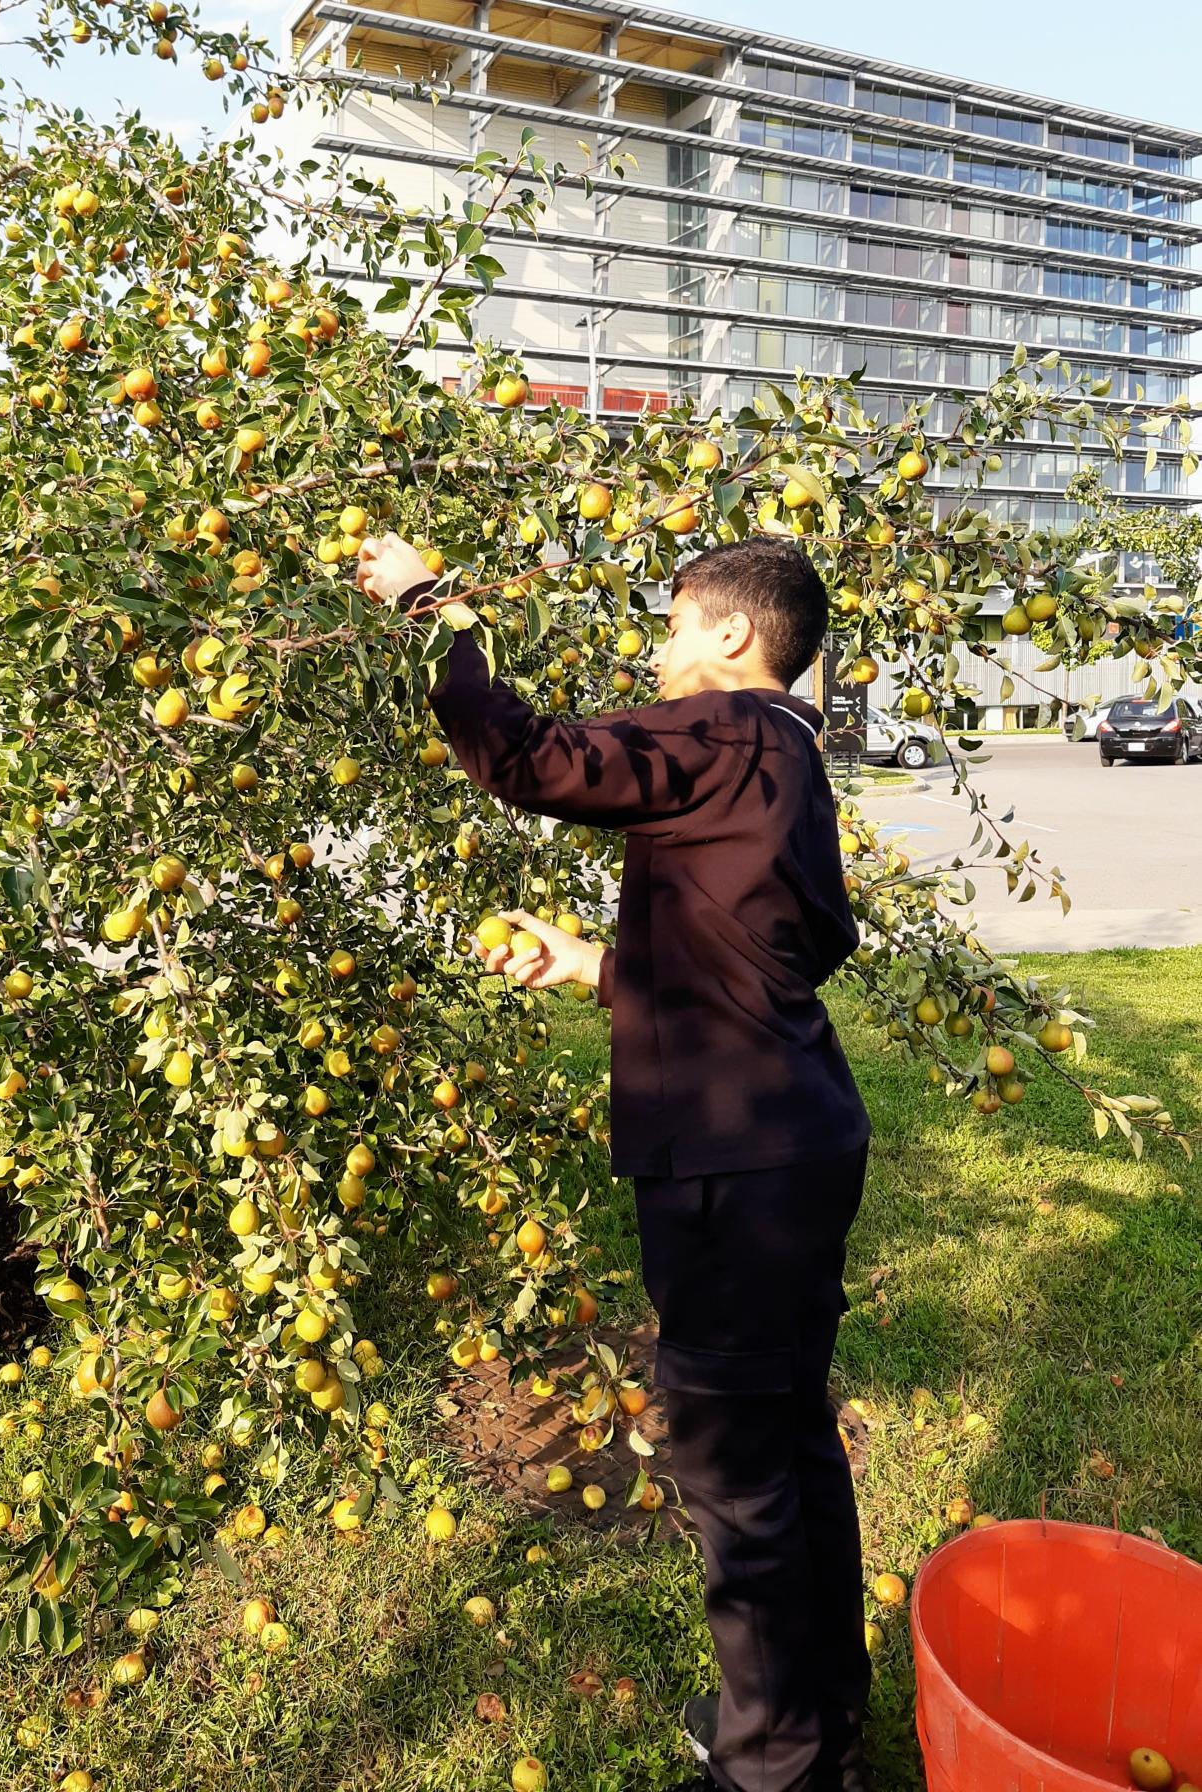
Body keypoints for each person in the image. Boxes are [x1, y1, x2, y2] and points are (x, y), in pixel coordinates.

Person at [356, 530, 873, 1792]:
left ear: (737, 639)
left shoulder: (732, 733)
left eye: (677, 624)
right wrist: (601, 968)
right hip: (787, 1141)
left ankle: (774, 1768)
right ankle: (810, 1710)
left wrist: (431, 602)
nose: (660, 649)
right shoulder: (779, 763)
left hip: (735, 1167)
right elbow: (764, 953)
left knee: (732, 1461)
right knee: (787, 1434)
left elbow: (526, 757)